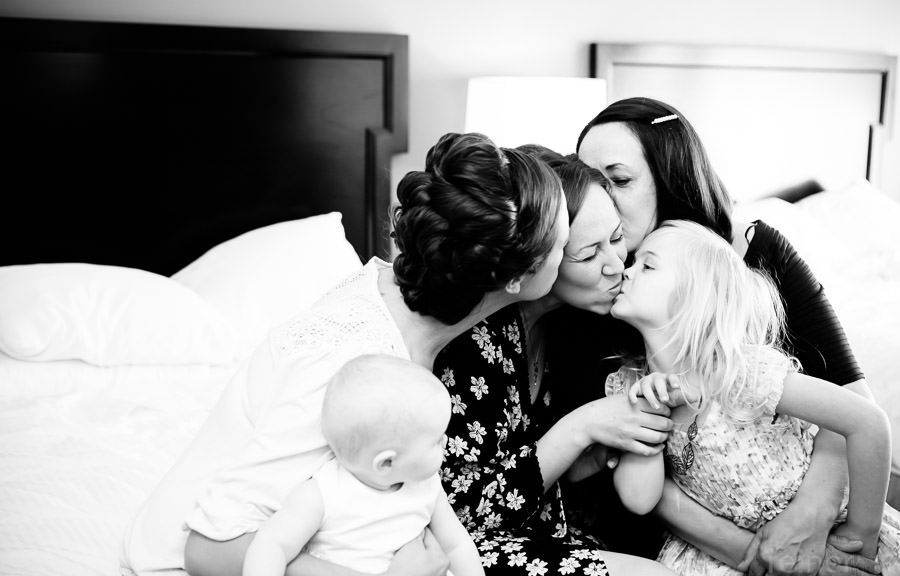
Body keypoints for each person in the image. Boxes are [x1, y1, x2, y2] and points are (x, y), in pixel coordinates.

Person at [120, 131, 570, 576]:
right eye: (566, 248)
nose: (569, 258)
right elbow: (208, 551)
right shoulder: (347, 360)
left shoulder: (414, 302)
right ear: (517, 275)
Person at [562, 96, 882, 575]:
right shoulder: (589, 287)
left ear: (668, 180)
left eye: (620, 180)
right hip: (688, 536)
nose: (599, 199)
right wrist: (756, 556)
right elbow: (626, 476)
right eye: (589, 180)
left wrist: (816, 523)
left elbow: (852, 403)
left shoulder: (745, 260)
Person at [606, 219, 900, 575]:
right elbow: (639, 499)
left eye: (647, 266)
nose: (626, 271)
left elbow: (869, 422)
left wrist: (859, 542)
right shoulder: (629, 388)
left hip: (828, 537)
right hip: (725, 558)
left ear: (697, 296)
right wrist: (650, 415)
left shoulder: (742, 372)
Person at [433, 149, 677, 575]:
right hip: (464, 548)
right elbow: (467, 516)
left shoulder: (566, 327)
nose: (616, 266)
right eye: (587, 255)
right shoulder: (476, 340)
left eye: (617, 239)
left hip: (535, 531)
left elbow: (525, 471)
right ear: (543, 254)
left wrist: (588, 457)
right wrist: (581, 427)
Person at [243, 354, 484, 576]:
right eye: (435, 440)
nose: (446, 441)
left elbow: (456, 545)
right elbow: (272, 544)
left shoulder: (427, 485)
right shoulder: (323, 493)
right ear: (386, 462)